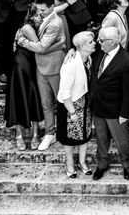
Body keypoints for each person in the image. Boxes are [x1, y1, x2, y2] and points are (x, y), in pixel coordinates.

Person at [16, 0, 67, 151]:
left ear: (52, 7)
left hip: (54, 66)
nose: (39, 12)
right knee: (45, 104)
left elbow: (42, 47)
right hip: (40, 67)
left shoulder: (55, 23)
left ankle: (63, 132)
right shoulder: (43, 17)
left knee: (62, 101)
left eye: (43, 10)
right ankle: (50, 133)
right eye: (38, 9)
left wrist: (22, 41)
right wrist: (60, 44)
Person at [5, 5, 55, 151]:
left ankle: (35, 135)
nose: (41, 18)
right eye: (38, 15)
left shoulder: (41, 26)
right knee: (20, 97)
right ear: (31, 16)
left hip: (34, 64)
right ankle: (19, 135)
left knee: (33, 98)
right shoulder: (27, 27)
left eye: (42, 15)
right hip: (22, 66)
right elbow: (40, 47)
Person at [90, 27, 129, 181]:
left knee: (121, 140)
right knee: (101, 138)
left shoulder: (126, 60)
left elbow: (128, 91)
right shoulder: (99, 52)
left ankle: (127, 165)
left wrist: (124, 113)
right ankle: (102, 164)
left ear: (111, 42)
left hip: (115, 109)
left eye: (101, 40)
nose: (98, 42)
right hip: (98, 105)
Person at [57, 31, 94, 178]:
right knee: (69, 137)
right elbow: (64, 91)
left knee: (84, 133)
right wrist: (72, 112)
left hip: (84, 102)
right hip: (69, 105)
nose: (94, 43)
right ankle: (70, 164)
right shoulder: (71, 63)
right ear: (83, 46)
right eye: (91, 42)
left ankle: (82, 162)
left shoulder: (88, 57)